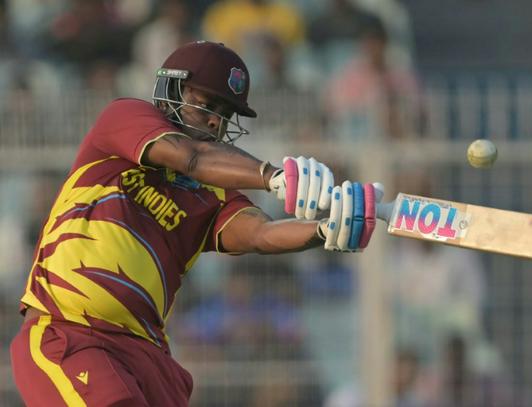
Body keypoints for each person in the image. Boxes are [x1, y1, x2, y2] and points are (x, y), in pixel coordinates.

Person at [10, 40, 380, 406]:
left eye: (225, 113)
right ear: (172, 89)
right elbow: (191, 157)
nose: (216, 120)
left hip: (148, 353)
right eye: (207, 104)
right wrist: (274, 177)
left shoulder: (214, 193)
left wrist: (326, 229)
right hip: (72, 331)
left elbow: (261, 233)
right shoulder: (125, 119)